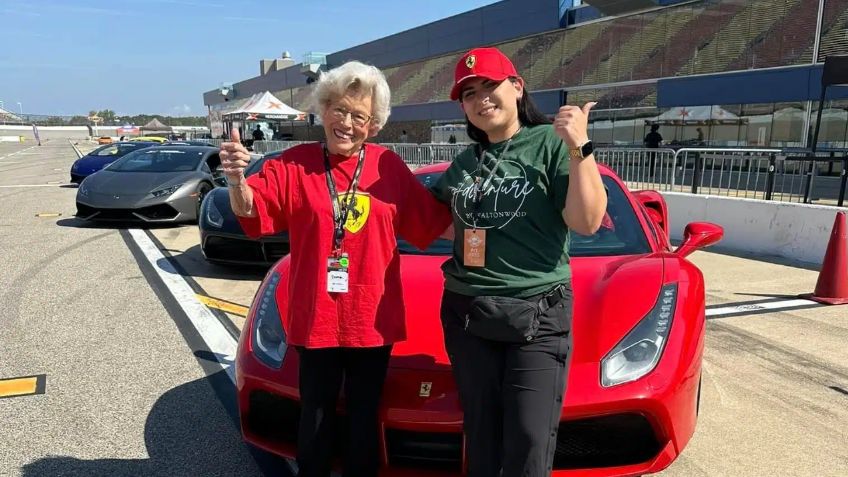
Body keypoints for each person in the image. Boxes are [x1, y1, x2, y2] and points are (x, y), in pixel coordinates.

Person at [219, 61, 451, 477]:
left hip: (372, 320)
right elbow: (252, 209)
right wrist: (236, 180)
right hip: (317, 318)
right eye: (339, 110)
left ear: (373, 124)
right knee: (317, 415)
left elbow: (434, 222)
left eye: (359, 116)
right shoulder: (296, 164)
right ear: (323, 110)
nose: (346, 123)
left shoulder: (388, 168)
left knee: (364, 419)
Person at [429, 47, 607, 476]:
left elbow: (586, 222)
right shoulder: (467, 161)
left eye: (489, 85)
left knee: (528, 439)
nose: (480, 98)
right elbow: (431, 219)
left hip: (538, 316)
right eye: (469, 93)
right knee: (482, 436)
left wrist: (580, 146)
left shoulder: (550, 142)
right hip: (468, 315)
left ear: (517, 87)